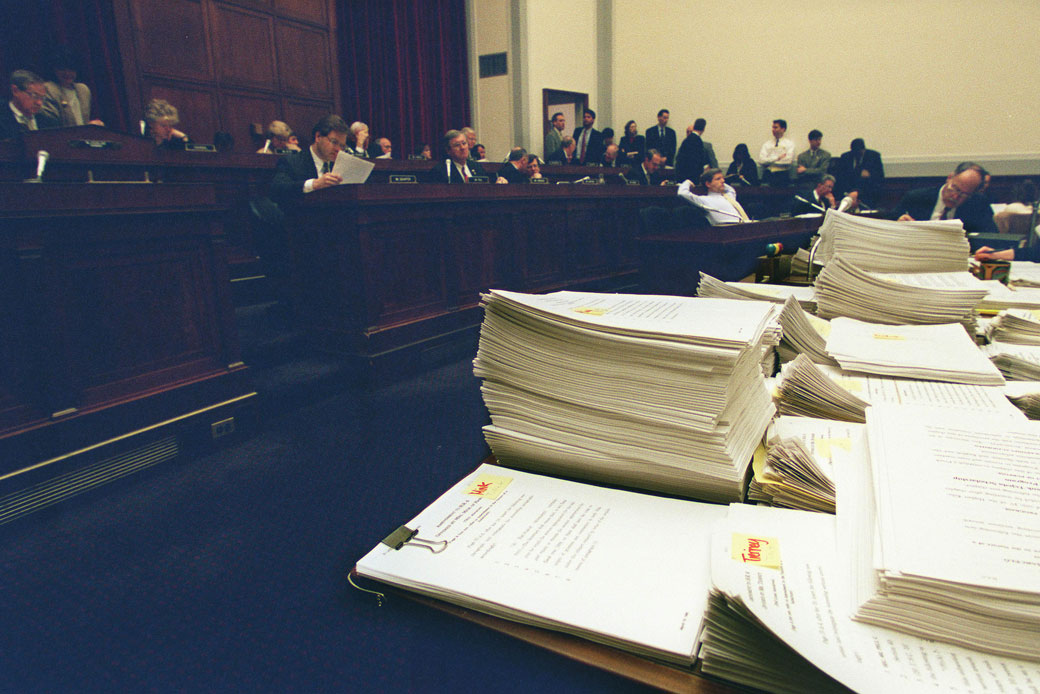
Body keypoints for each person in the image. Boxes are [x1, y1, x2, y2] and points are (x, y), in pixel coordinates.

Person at [895, 161, 996, 234]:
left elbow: (991, 237)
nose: (955, 196)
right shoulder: (916, 198)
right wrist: (898, 224)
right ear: (949, 178)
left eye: (963, 194)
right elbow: (889, 223)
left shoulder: (978, 204)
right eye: (955, 188)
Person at [269, 114, 349, 201]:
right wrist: (314, 184)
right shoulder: (292, 161)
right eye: (334, 142)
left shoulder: (340, 166)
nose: (338, 149)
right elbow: (277, 190)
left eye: (342, 146)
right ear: (318, 137)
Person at [40, 47, 103, 128]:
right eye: (62, 69)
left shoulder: (83, 89)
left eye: (71, 69)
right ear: (54, 70)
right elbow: (52, 122)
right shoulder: (48, 88)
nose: (67, 73)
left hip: (83, 137)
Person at [678, 168, 751, 224]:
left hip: (743, 225)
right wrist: (688, 182)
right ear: (708, 184)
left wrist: (720, 183)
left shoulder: (728, 197)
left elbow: (731, 190)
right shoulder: (704, 200)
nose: (723, 181)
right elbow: (682, 193)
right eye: (718, 179)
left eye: (722, 178)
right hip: (725, 231)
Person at [1, 70, 49, 139]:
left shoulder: (46, 121)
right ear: (15, 91)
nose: (39, 103)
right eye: (34, 96)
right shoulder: (2, 119)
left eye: (42, 98)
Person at [758, 119, 795, 186]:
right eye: (772, 127)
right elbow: (761, 160)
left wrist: (769, 160)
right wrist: (777, 158)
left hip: (782, 175)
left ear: (783, 129)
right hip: (768, 174)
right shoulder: (767, 144)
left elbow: (788, 161)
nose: (773, 130)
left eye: (776, 127)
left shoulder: (789, 144)